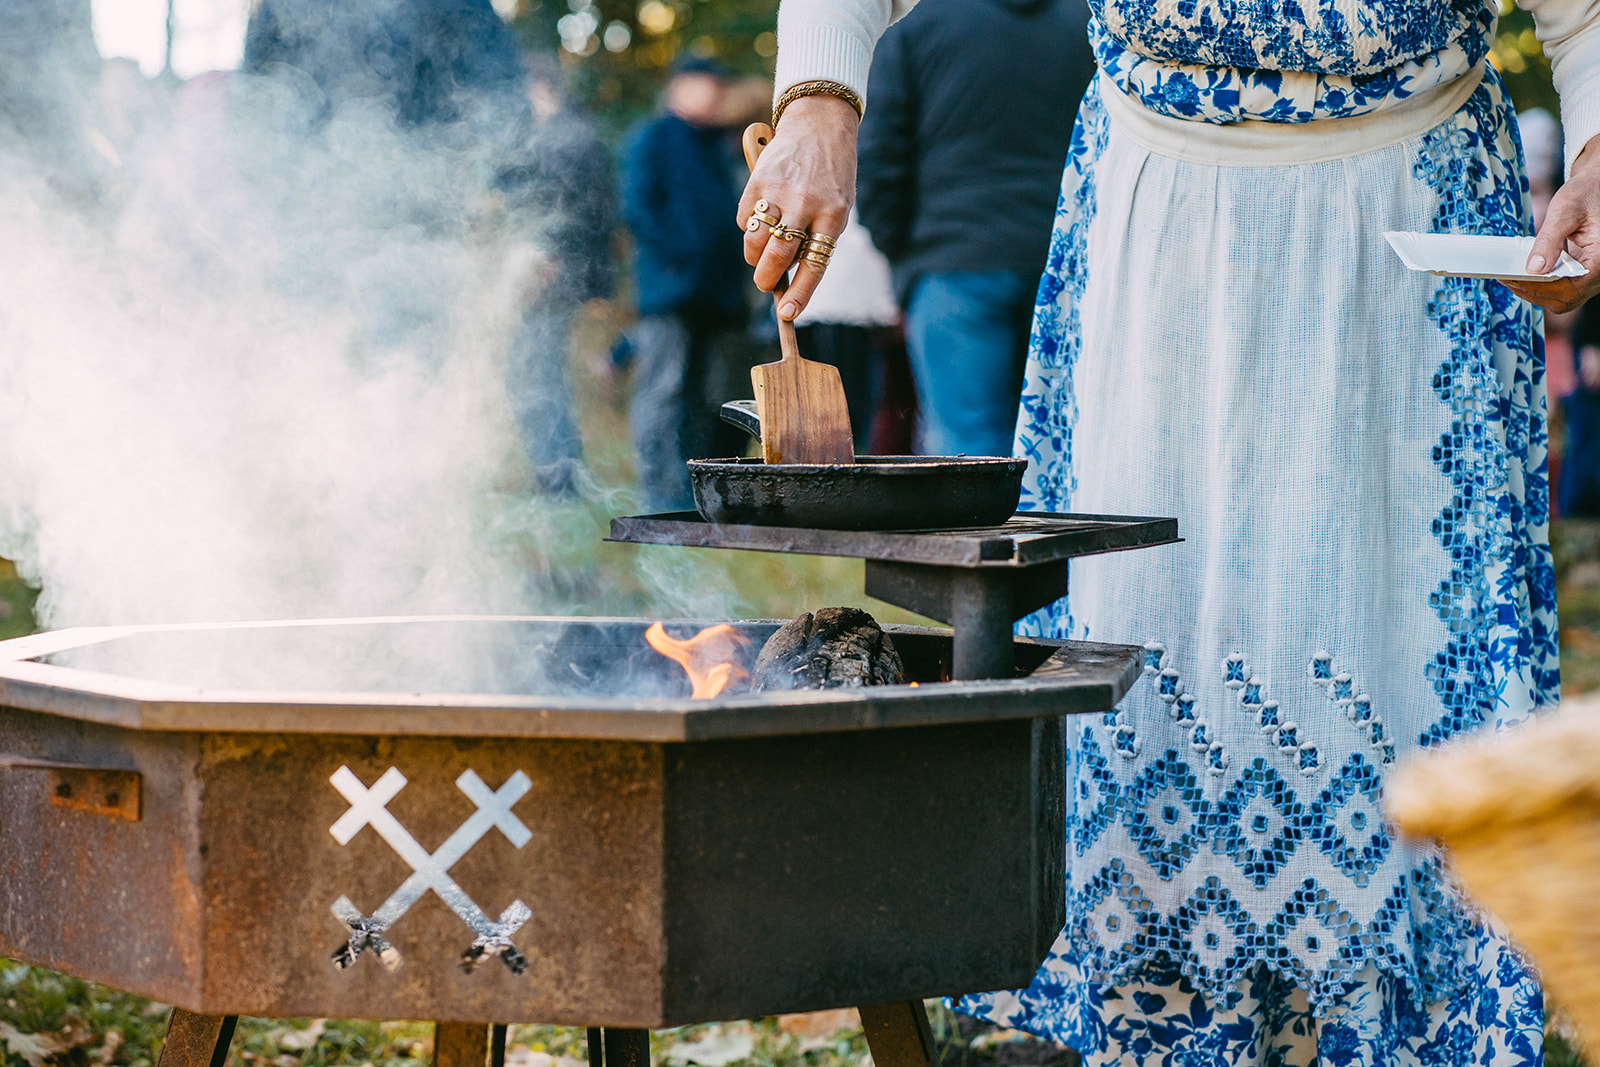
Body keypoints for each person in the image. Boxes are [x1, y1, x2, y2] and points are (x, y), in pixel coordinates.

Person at [736, 0, 1600, 1061]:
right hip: (1161, 227)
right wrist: (819, 101)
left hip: (1409, 217)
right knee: (1154, 643)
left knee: (1392, 648)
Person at [854, 0, 1092, 456]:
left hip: (951, 262)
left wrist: (900, 252)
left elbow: (879, 153)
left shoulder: (916, 23)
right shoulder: (1088, 22)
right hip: (1063, 261)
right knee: (1059, 444)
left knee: (967, 449)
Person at [621, 58, 751, 511]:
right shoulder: (654, 138)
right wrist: (679, 262)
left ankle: (692, 495)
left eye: (719, 87)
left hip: (717, 297)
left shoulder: (718, 144)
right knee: (663, 391)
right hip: (671, 293)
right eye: (706, 85)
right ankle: (659, 493)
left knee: (702, 398)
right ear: (679, 86)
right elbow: (638, 208)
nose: (715, 95)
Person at [500, 56, 617, 495]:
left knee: (535, 375)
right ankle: (559, 475)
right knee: (541, 374)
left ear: (539, 86)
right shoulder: (576, 133)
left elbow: (569, 212)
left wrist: (545, 257)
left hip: (550, 275)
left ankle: (557, 479)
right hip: (563, 275)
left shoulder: (561, 138)